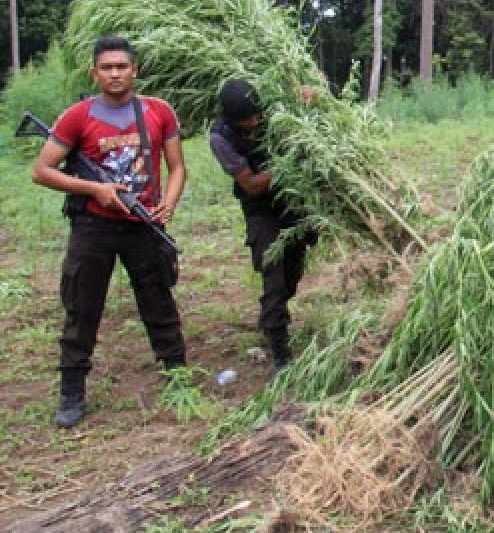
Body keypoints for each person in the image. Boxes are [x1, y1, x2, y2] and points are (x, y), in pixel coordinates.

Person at [32, 35, 188, 429]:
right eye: (107, 68)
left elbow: (177, 166)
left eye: (122, 66)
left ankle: (179, 377)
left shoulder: (157, 112)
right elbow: (42, 170)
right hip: (94, 226)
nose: (115, 74)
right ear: (95, 73)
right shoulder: (77, 117)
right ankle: (71, 393)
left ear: (134, 70)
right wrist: (95, 189)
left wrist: (168, 202)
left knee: (158, 301)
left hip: (143, 224)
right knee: (82, 306)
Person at [209, 79, 313, 374]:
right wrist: (288, 161)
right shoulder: (221, 138)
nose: (254, 123)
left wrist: (307, 99)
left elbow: (305, 97)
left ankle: (272, 315)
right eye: (247, 120)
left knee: (292, 274)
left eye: (257, 116)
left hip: (292, 204)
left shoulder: (272, 112)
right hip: (261, 210)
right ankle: (280, 351)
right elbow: (252, 185)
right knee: (274, 277)